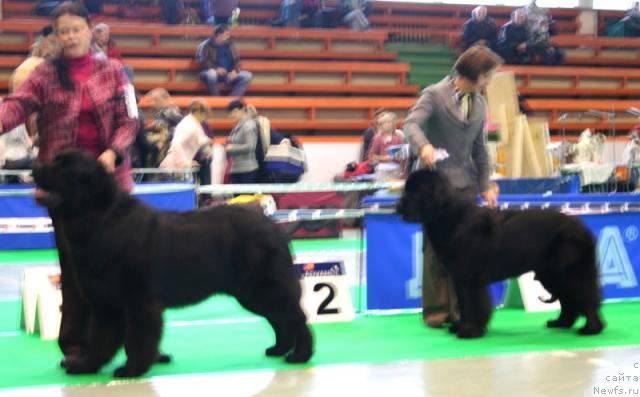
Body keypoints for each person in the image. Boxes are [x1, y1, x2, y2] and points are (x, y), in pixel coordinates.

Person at [0, 1, 138, 367]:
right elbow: (16, 105)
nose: (70, 36)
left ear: (91, 29)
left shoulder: (116, 71)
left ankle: (138, 342)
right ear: (56, 36)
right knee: (76, 268)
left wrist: (112, 153)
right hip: (66, 194)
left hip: (111, 187)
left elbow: (130, 122)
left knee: (125, 267)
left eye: (76, 28)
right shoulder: (45, 74)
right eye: (63, 31)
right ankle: (76, 344)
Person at [403, 45, 501, 329]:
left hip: (465, 188)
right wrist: (424, 147)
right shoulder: (434, 94)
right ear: (473, 72)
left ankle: (463, 311)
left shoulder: (480, 104)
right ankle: (436, 311)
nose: (489, 81)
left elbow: (480, 150)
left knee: (467, 251)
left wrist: (486, 184)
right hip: (433, 189)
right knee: (435, 251)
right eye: (487, 75)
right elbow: (411, 125)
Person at [160, 99, 214, 185]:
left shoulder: (193, 123)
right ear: (197, 112)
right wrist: (185, 162)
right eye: (204, 115)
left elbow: (200, 139)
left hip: (182, 167)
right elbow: (176, 142)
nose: (204, 119)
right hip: (176, 167)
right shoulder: (189, 124)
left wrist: (207, 146)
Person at [196, 24, 253, 97]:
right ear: (219, 35)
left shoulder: (230, 44)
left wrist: (234, 71)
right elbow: (202, 60)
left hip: (227, 74)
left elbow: (237, 60)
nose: (228, 36)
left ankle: (231, 100)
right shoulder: (206, 45)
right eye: (226, 34)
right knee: (211, 74)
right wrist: (216, 69)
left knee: (247, 76)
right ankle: (217, 100)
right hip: (211, 73)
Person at [225, 99, 259, 184]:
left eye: (235, 112)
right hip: (236, 169)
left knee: (246, 197)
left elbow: (250, 147)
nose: (233, 115)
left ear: (242, 110)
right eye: (231, 113)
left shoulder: (249, 125)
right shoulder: (238, 125)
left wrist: (232, 148)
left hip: (247, 170)